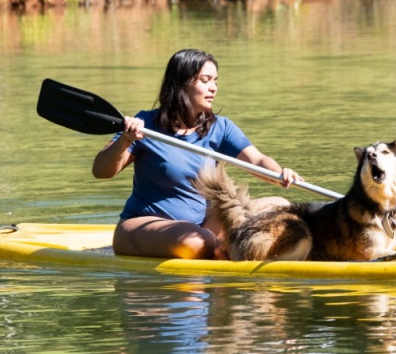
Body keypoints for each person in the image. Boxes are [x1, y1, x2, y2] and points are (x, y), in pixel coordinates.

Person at [93, 48, 301, 259]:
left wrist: (279, 173)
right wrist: (125, 140)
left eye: (215, 81)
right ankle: (224, 247)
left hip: (205, 225)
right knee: (195, 242)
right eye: (205, 80)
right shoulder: (144, 125)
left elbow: (257, 160)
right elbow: (101, 171)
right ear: (181, 83)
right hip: (146, 224)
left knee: (281, 208)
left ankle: (223, 246)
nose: (213, 88)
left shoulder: (221, 128)